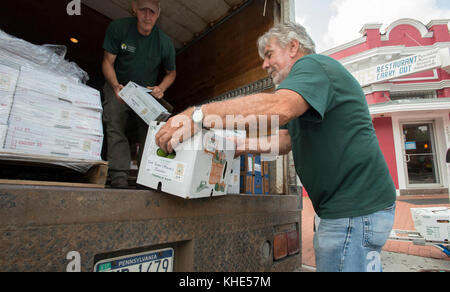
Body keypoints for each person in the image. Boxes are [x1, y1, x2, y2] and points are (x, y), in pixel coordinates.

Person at [155, 22, 397, 272]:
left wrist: (198, 115)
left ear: (294, 46)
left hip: (355, 210)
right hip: (349, 210)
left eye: (269, 54)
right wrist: (242, 145)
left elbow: (280, 109)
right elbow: (286, 140)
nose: (264, 64)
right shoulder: (306, 91)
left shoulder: (312, 65)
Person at [102, 0, 176, 188]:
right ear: (134, 8)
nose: (147, 15)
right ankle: (118, 175)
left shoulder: (164, 42)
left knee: (152, 129)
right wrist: (115, 85)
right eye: (143, 10)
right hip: (119, 86)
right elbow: (107, 62)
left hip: (144, 94)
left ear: (158, 14)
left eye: (152, 11)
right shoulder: (118, 28)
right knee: (115, 119)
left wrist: (161, 88)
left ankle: (145, 177)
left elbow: (171, 73)